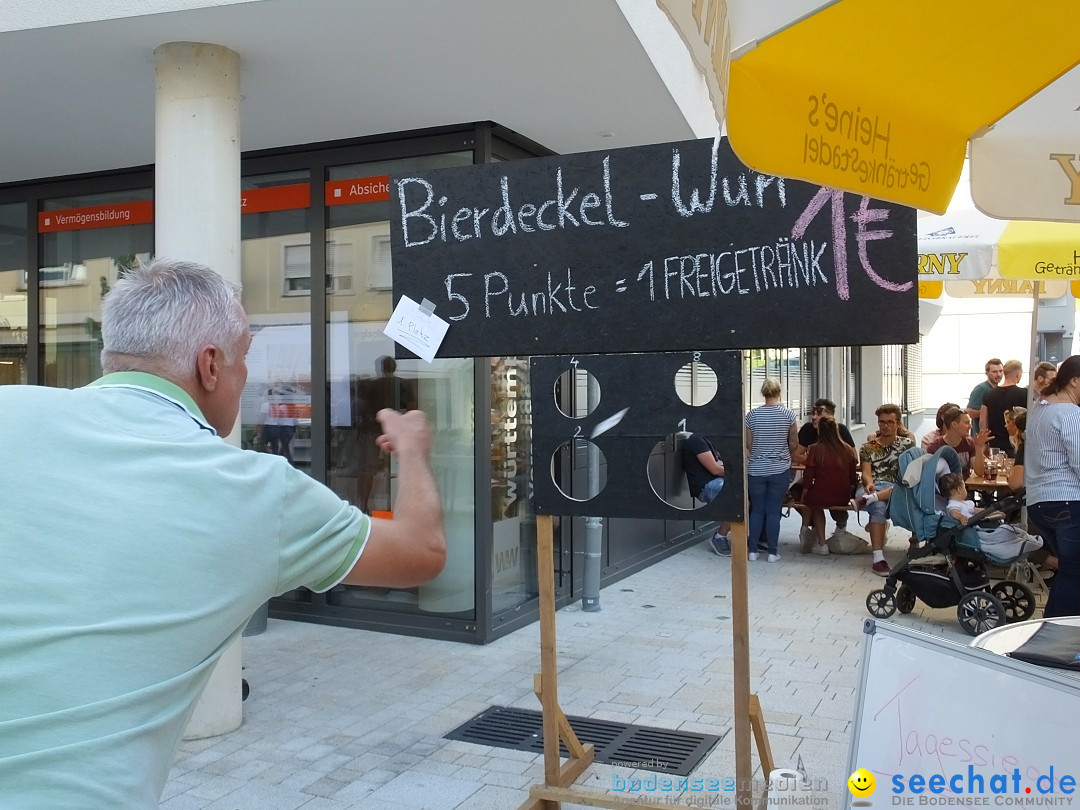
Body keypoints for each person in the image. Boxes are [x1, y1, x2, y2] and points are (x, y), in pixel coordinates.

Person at [0, 259, 446, 807]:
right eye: (245, 362)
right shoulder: (257, 490)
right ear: (210, 365)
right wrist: (414, 452)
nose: (247, 381)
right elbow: (420, 553)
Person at [1023, 354, 1080, 618]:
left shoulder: (1040, 408)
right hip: (1068, 501)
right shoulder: (1070, 413)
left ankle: (1054, 628)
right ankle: (1056, 633)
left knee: (1069, 570)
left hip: (1039, 502)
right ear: (1075, 381)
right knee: (1074, 572)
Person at [852, 404, 915, 576]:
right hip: (872, 487)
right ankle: (878, 559)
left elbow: (911, 475)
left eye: (890, 422)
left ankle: (870, 499)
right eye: (882, 423)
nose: (885, 426)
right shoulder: (868, 447)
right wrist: (869, 483)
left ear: (898, 424)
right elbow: (866, 473)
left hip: (897, 489)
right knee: (878, 507)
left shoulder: (908, 445)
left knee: (899, 492)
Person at [744, 378, 798, 562]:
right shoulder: (788, 415)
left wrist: (758, 453)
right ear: (779, 392)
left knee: (757, 510)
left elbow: (748, 444)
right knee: (773, 511)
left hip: (756, 469)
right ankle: (773, 553)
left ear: (763, 393)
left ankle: (752, 551)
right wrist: (784, 454)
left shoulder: (751, 416)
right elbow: (793, 442)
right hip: (779, 468)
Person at [793, 398, 856, 551]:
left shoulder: (840, 432)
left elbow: (854, 459)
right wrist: (820, 461)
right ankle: (811, 530)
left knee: (811, 497)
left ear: (830, 417)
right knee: (798, 491)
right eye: (813, 413)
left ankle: (816, 536)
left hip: (824, 487)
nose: (814, 417)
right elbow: (796, 455)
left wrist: (816, 460)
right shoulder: (809, 431)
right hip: (839, 490)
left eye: (819, 414)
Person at [940, 473, 1042, 559]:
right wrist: (961, 517)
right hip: (972, 533)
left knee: (1002, 528)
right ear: (959, 489)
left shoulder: (966, 503)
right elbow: (953, 512)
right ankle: (1018, 543)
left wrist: (992, 512)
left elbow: (979, 511)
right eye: (964, 487)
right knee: (1001, 531)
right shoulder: (953, 505)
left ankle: (1019, 538)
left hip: (977, 528)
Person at [681, 432, 733, 556]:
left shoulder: (710, 438)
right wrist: (739, 472)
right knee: (736, 496)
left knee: (751, 492)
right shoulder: (697, 440)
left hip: (715, 481)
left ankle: (752, 539)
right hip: (706, 486)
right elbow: (715, 469)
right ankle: (719, 537)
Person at [925, 406, 989, 479]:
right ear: (954, 424)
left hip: (965, 488)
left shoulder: (969, 443)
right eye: (967, 423)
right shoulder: (934, 447)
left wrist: (978, 447)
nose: (970, 426)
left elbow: (980, 472)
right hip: (944, 489)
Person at [980, 359, 1027, 456]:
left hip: (995, 445)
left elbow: (982, 421)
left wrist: (984, 443)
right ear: (1017, 374)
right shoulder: (1025, 394)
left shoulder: (989, 394)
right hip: (1018, 445)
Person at [966, 357, 1003, 435]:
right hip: (981, 437)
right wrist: (987, 411)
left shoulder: (999, 390)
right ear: (987, 373)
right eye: (994, 372)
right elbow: (969, 412)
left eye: (1001, 371)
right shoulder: (981, 389)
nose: (999, 374)